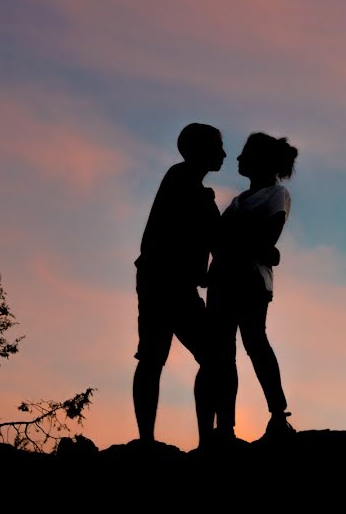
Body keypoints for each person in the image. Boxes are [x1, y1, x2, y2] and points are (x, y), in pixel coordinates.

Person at [132, 123, 225, 448]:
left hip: (173, 284)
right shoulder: (183, 182)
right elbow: (208, 236)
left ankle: (203, 440)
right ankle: (148, 440)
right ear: (200, 151)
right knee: (157, 357)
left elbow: (212, 239)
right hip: (165, 284)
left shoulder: (191, 187)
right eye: (218, 147)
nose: (224, 154)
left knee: (207, 357)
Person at [207, 132, 298, 442]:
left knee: (255, 343)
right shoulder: (238, 202)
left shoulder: (276, 194)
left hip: (249, 281)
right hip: (222, 280)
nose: (237, 159)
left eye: (244, 154)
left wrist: (239, 239)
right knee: (223, 353)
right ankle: (225, 428)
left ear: (260, 161)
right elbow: (220, 240)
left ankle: (278, 414)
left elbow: (267, 238)